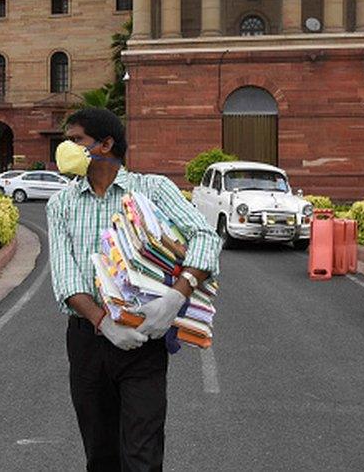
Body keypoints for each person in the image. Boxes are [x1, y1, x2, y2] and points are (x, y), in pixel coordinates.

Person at [46, 108, 220, 471]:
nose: (66, 147)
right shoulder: (60, 203)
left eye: (75, 139)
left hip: (145, 338)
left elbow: (204, 235)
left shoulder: (152, 189)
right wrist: (102, 322)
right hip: (88, 341)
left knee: (142, 453)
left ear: (105, 144)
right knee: (101, 453)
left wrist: (176, 297)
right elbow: (65, 275)